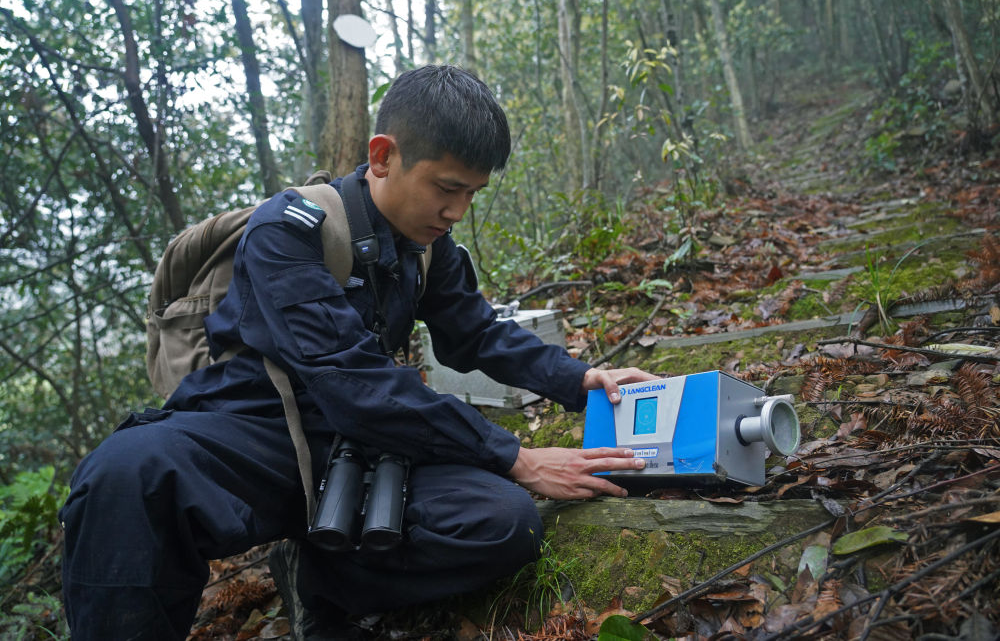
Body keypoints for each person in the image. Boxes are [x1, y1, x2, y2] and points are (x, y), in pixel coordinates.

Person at [59, 65, 656, 640]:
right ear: (382, 156)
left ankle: (319, 582)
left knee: (503, 523)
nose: (457, 213)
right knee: (127, 472)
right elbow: (349, 381)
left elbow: (477, 333)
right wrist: (515, 456)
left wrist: (578, 379)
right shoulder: (287, 231)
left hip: (363, 446)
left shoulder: (430, 246)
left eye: (472, 194)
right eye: (446, 189)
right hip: (257, 435)